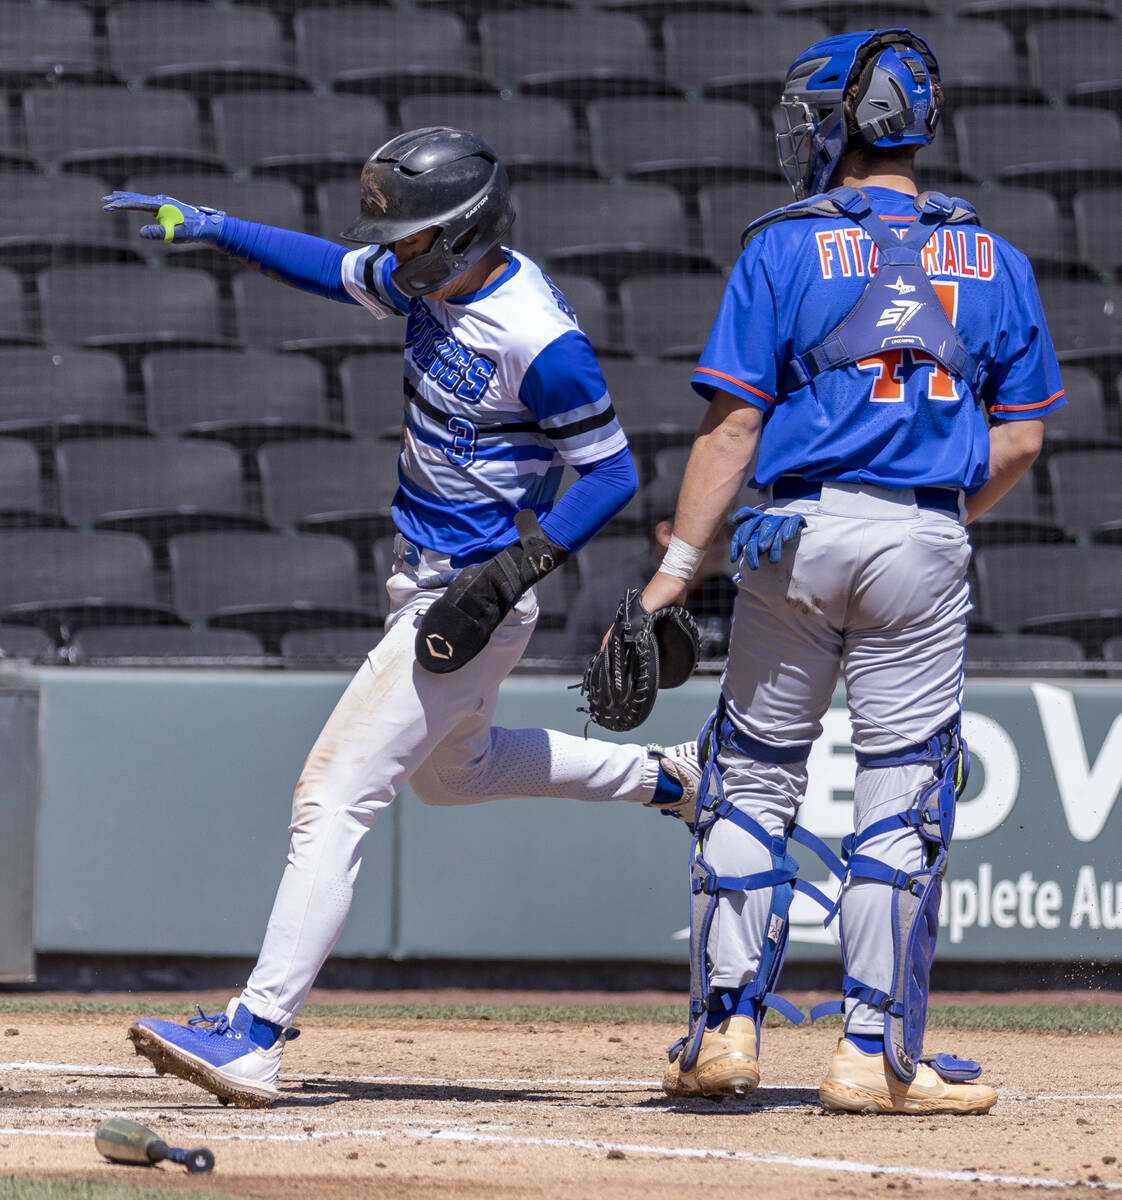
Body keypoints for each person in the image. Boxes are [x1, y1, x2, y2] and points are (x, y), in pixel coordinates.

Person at [103, 127, 701, 1108]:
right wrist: (213, 226)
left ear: (462, 233)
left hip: (468, 595)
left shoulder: (534, 335)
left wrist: (511, 572)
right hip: (437, 583)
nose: (393, 251)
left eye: (412, 236)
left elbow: (612, 471)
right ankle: (669, 781)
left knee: (329, 799)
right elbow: (330, 267)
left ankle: (253, 1034)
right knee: (455, 776)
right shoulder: (423, 278)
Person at [638, 31, 1064, 1114]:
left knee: (755, 779)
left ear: (842, 126)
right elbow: (1019, 442)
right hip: (923, 538)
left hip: (795, 535)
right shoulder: (998, 259)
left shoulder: (780, 248)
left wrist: (672, 579)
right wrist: (924, 523)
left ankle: (725, 1034)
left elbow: (733, 428)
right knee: (900, 794)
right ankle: (869, 1057)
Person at [566, 503, 736, 663]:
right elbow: (578, 672)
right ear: (667, 534)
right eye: (711, 529)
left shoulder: (731, 593)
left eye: (726, 530)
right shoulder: (605, 594)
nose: (723, 541)